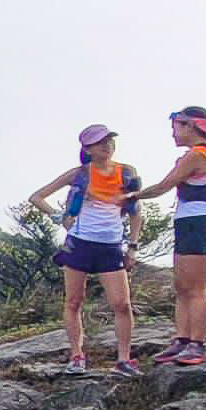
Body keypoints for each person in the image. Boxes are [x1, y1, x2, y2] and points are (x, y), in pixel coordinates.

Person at [26, 123, 142, 377]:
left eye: (109, 140)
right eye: (100, 142)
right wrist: (59, 217)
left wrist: (132, 247)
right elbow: (36, 197)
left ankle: (124, 360)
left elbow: (136, 213)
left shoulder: (126, 173)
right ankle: (77, 356)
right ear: (87, 149)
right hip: (79, 244)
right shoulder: (79, 174)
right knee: (74, 301)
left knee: (122, 304)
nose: (107, 145)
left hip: (111, 246)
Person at [130, 106, 206, 368]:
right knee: (182, 286)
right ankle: (182, 339)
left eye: (176, 127)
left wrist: (131, 196)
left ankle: (197, 344)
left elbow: (164, 186)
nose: (173, 133)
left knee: (195, 288)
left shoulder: (198, 155)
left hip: (200, 223)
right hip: (194, 222)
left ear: (190, 126)